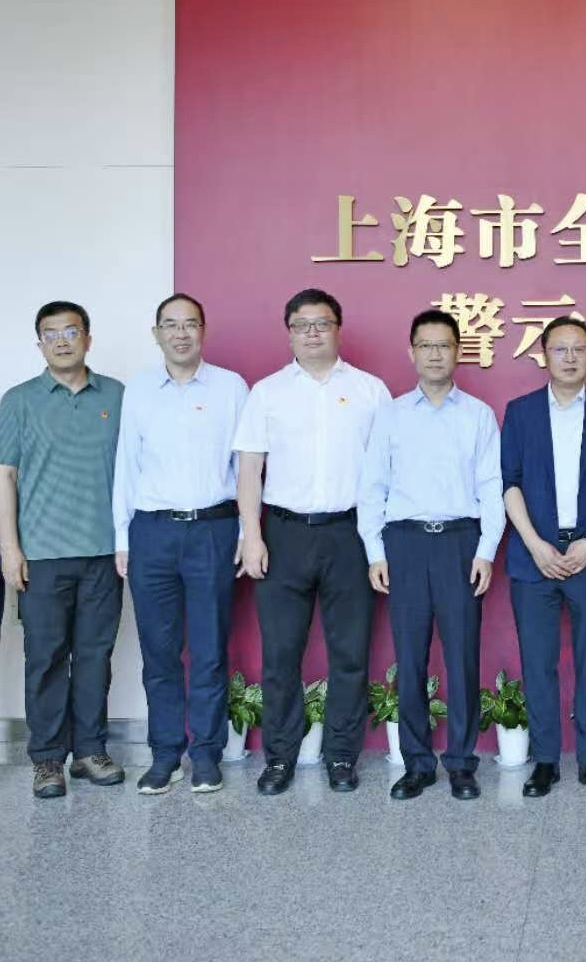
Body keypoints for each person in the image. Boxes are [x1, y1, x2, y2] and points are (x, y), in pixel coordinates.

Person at [233, 288, 391, 795]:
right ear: (289, 333)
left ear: (338, 329)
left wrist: (377, 544)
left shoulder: (370, 391)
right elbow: (249, 470)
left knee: (350, 653)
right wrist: (252, 536)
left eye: (321, 323)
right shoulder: (267, 393)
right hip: (283, 534)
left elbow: (386, 469)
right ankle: (280, 757)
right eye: (301, 325)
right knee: (281, 654)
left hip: (349, 533)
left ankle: (341, 756)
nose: (312, 333)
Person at [358, 308, 504, 801]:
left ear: (458, 352)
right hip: (405, 544)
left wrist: (485, 550)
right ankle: (417, 764)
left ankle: (461, 763)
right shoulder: (392, 414)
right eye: (426, 345)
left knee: (462, 657)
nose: (435, 354)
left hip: (461, 543)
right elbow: (372, 486)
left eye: (444, 345)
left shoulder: (478, 415)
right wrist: (375, 552)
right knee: (410, 659)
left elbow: (491, 487)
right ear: (412, 352)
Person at [113, 293, 248, 795]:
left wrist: (246, 530)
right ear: (157, 334)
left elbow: (245, 465)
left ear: (203, 330)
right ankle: (165, 754)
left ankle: (206, 754)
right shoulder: (140, 390)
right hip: (151, 533)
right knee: (160, 652)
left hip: (213, 529)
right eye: (170, 325)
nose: (181, 333)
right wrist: (122, 537)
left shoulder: (231, 387)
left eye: (190, 323)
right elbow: (127, 466)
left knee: (210, 649)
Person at [500, 316, 586, 800]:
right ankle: (546, 761)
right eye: (560, 349)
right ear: (544, 355)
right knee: (538, 663)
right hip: (532, 557)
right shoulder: (520, 412)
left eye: (579, 348)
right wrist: (535, 544)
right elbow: (509, 481)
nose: (570, 357)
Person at [0, 301, 125, 798]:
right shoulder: (18, 400)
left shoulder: (116, 396)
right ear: (40, 344)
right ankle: (48, 758)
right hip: (42, 554)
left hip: (103, 553)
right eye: (50, 334)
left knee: (95, 655)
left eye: (71, 331)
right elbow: (5, 476)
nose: (61, 341)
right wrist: (10, 549)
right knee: (46, 657)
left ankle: (91, 751)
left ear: (88, 339)